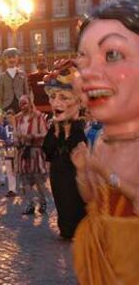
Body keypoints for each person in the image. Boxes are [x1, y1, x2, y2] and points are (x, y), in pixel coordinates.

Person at [70, 0, 139, 284]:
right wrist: (82, 171)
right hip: (103, 251)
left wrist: (103, 172)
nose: (86, 74)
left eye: (111, 54)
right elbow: (91, 201)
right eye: (81, 61)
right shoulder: (99, 140)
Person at [42, 59, 86, 239]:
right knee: (60, 198)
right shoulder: (54, 128)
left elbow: (80, 148)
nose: (56, 103)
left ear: (78, 102)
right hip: (58, 171)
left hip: (73, 171)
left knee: (74, 199)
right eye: (53, 97)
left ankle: (77, 229)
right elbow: (47, 151)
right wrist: (57, 132)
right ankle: (65, 228)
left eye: (64, 97)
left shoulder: (80, 128)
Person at [15, 95, 49, 214]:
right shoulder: (18, 118)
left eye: (25, 103)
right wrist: (18, 140)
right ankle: (30, 204)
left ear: (30, 103)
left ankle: (43, 202)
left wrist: (32, 136)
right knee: (25, 181)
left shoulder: (38, 116)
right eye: (21, 104)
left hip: (35, 152)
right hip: (23, 152)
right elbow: (17, 133)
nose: (23, 106)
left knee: (38, 179)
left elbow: (45, 133)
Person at [0, 48, 30, 114]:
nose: (11, 60)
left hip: (21, 104)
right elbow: (1, 94)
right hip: (7, 105)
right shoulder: (2, 77)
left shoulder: (22, 74)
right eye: (9, 57)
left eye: (14, 57)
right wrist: (1, 108)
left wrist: (29, 104)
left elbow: (26, 91)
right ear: (5, 60)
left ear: (17, 59)